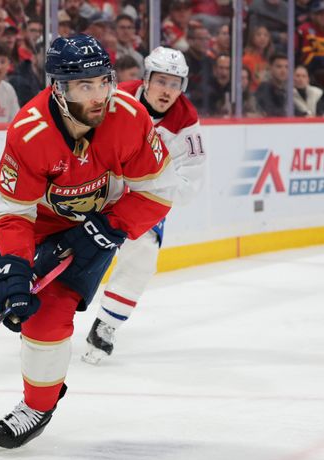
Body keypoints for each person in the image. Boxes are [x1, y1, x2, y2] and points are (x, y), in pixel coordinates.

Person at [0, 34, 175, 450]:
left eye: (104, 81)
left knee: (48, 321)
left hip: (93, 226)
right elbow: (12, 211)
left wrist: (108, 228)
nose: (99, 95)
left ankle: (38, 407)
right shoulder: (30, 130)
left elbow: (159, 191)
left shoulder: (130, 118)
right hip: (26, 221)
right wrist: (15, 267)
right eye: (84, 86)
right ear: (59, 88)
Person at [84, 46, 206, 364]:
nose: (167, 91)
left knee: (144, 254)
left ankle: (106, 325)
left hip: (143, 195)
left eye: (175, 84)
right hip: (97, 182)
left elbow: (190, 184)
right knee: (71, 243)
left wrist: (150, 186)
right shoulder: (116, 97)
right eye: (161, 81)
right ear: (147, 79)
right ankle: (46, 313)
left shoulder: (186, 122)